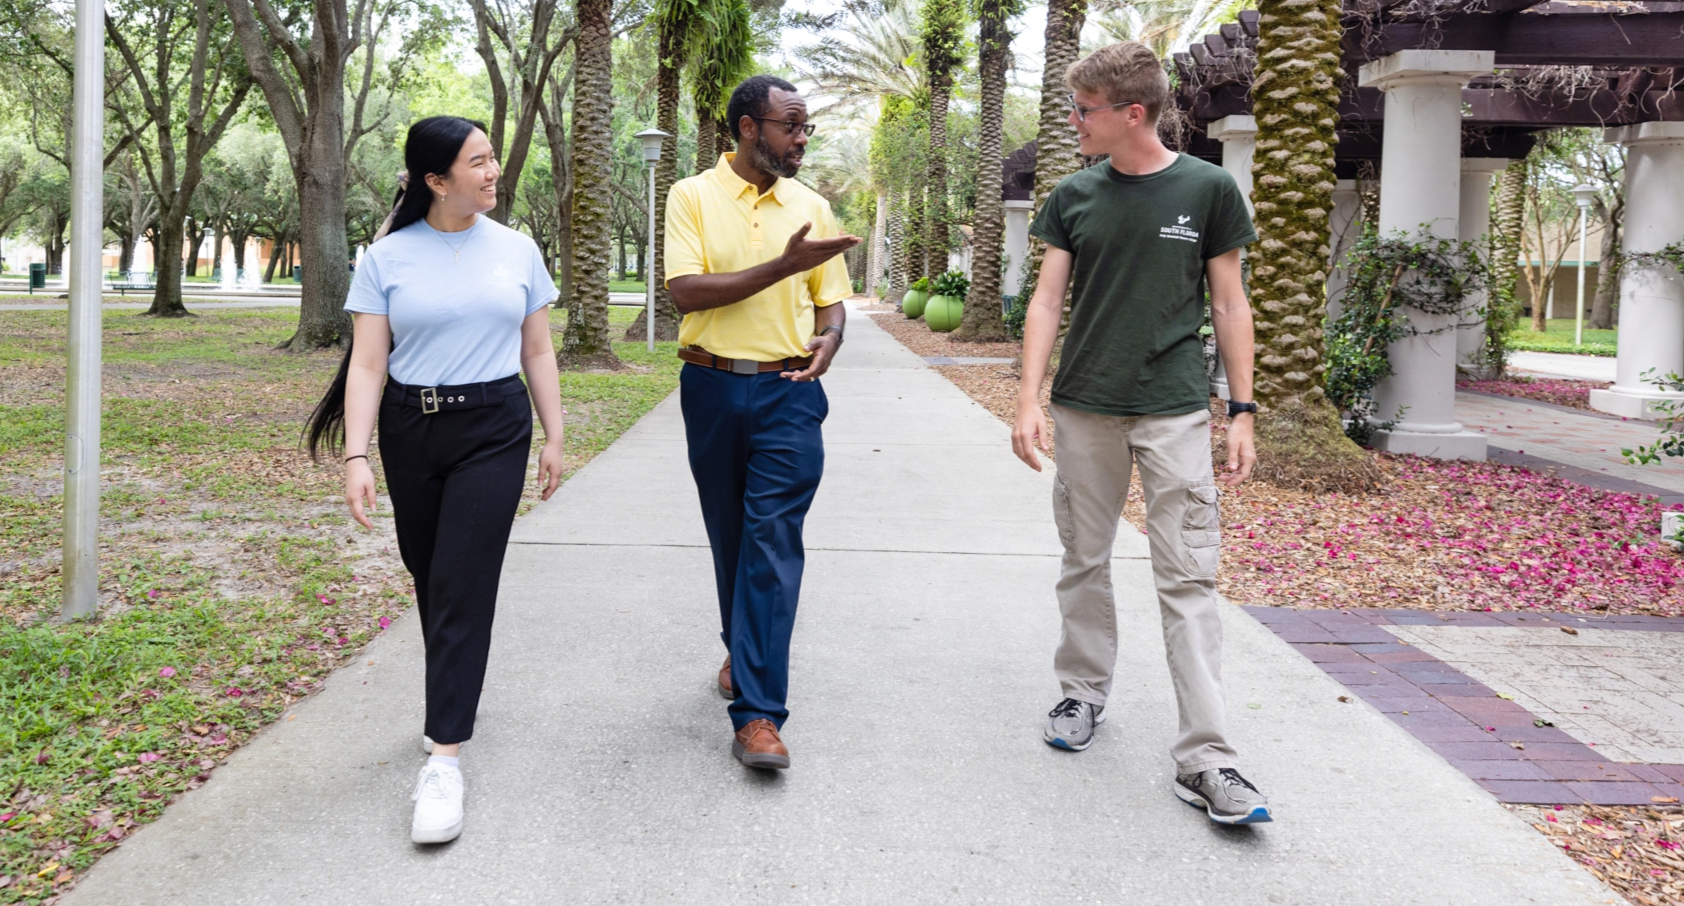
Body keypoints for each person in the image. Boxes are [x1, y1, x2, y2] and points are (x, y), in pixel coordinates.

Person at [1011, 42, 1271, 824]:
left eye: (1083, 109)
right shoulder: (1073, 195)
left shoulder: (1209, 189)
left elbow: (1230, 305)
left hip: (1175, 408)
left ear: (1132, 113)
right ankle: (1081, 695)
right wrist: (1026, 399)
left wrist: (1243, 410)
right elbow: (1047, 303)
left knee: (1187, 577)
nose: (1072, 121)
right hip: (1084, 406)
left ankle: (1208, 758)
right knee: (1084, 560)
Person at [304, 116, 567, 843]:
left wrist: (555, 434)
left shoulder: (516, 249)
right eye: (477, 162)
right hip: (410, 427)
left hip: (494, 425)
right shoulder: (387, 258)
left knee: (460, 580)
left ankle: (444, 759)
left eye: (490, 159)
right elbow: (366, 363)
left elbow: (537, 348)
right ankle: (450, 699)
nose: (492, 172)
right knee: (428, 572)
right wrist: (356, 456)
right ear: (435, 179)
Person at [663, 75, 860, 770]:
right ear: (749, 128)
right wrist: (782, 266)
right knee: (730, 537)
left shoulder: (813, 205)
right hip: (711, 386)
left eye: (805, 126)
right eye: (790, 125)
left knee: (772, 542)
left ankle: (758, 714)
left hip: (788, 391)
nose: (801, 137)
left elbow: (829, 302)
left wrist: (831, 339)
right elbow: (685, 290)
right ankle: (742, 649)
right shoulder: (690, 196)